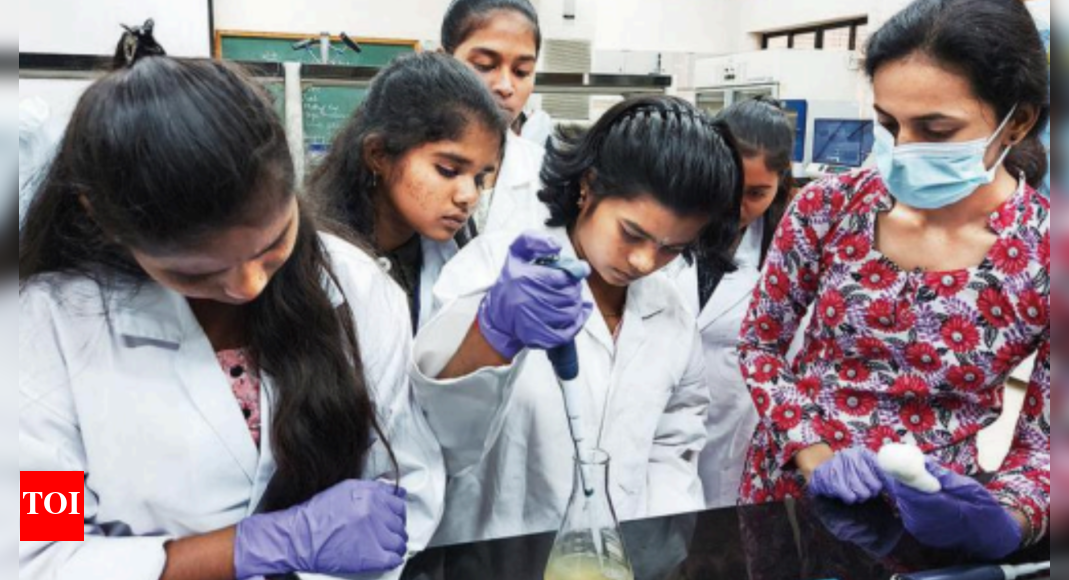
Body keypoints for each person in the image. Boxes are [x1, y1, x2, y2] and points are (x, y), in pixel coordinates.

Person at [19, 27, 444, 580]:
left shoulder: (357, 288)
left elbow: (402, 487)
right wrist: (261, 545)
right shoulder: (49, 327)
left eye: (273, 244)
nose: (248, 286)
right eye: (196, 271)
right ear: (104, 220)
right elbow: (45, 552)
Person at [739, 0, 1050, 562]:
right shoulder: (830, 206)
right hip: (791, 494)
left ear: (1018, 120)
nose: (902, 150)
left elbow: (1048, 444)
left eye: (934, 129)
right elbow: (760, 345)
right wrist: (814, 449)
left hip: (930, 521)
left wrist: (1006, 517)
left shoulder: (1045, 253)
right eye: (888, 124)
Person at [412, 96, 743, 546]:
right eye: (632, 232)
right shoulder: (493, 270)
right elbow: (433, 436)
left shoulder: (671, 314)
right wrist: (492, 334)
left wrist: (659, 542)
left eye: (672, 248)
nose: (646, 260)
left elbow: (673, 441)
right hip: (492, 555)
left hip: (615, 558)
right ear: (589, 186)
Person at [310, 52, 507, 331]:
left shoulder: (454, 257)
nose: (469, 196)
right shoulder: (318, 264)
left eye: (479, 178)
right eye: (448, 170)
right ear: (378, 154)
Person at [667, 96, 795, 509]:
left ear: (781, 184)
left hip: (735, 431)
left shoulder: (786, 253)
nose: (737, 206)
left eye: (757, 193)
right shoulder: (665, 228)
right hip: (655, 416)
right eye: (730, 187)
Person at [441, 0, 550, 235]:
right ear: (443, 62)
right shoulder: (401, 165)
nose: (505, 86)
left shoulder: (547, 176)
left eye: (521, 72)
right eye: (485, 65)